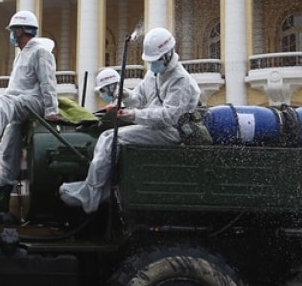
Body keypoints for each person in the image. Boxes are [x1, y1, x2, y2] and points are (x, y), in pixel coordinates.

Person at [59, 27, 198, 214]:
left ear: (168, 55)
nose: (152, 65)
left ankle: (91, 195)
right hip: (154, 127)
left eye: (154, 61)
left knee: (111, 138)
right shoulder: (154, 73)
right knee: (108, 135)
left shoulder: (180, 80)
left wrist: (134, 115)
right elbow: (139, 98)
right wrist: (123, 94)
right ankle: (97, 190)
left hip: (170, 132)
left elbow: (169, 116)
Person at [0, 10, 61, 210]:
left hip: (34, 103)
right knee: (9, 144)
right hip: (21, 105)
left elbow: (48, 82)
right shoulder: (21, 55)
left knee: (4, 101)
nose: (11, 34)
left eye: (13, 30)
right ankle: (4, 191)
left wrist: (51, 110)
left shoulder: (40, 51)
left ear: (20, 31)